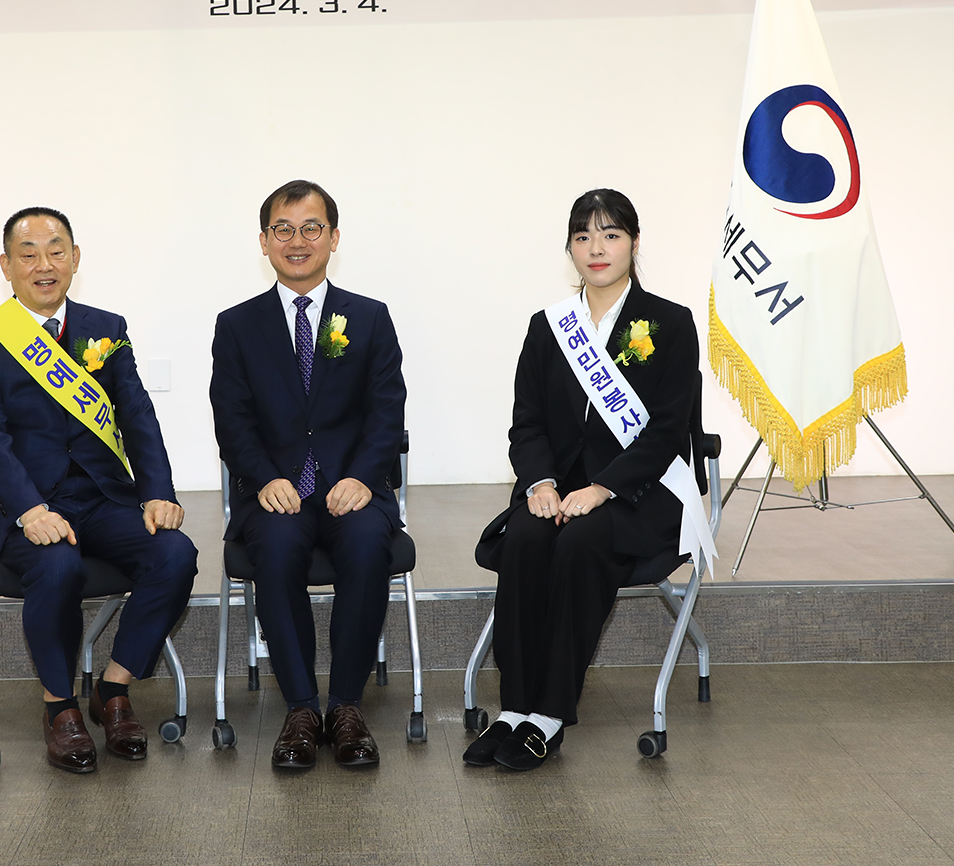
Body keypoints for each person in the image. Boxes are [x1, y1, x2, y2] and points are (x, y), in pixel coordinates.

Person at [0, 206, 197, 774]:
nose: (45, 265)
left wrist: (158, 491)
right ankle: (59, 706)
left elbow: (137, 415)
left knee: (174, 554)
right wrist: (30, 509)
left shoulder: (106, 328)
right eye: (29, 254)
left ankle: (113, 689)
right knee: (57, 564)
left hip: (101, 499)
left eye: (56, 251)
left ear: (75, 258)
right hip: (21, 507)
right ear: (6, 266)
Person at [465, 188, 699, 772]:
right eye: (583, 236)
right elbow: (527, 422)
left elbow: (667, 431)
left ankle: (548, 716)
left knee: (580, 541)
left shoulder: (670, 323)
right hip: (559, 491)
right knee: (525, 537)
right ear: (569, 248)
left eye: (611, 235)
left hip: (639, 493)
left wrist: (603, 489)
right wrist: (541, 484)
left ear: (635, 243)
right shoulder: (549, 328)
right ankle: (514, 709)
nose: (597, 248)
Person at [210, 180, 407, 771]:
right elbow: (232, 419)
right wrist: (262, 477)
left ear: (334, 238)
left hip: (352, 488)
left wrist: (365, 477)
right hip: (276, 492)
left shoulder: (369, 318)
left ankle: (345, 707)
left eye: (311, 228)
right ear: (264, 242)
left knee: (369, 543)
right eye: (284, 229)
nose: (298, 241)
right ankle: (300, 708)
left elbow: (387, 412)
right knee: (274, 548)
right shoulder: (237, 325)